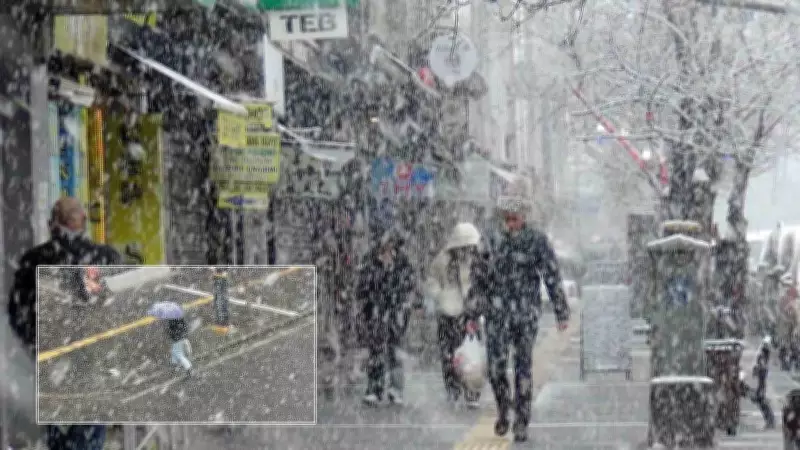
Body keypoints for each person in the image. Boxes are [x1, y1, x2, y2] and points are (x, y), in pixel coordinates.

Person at [8, 197, 120, 450]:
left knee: (60, 438)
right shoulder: (106, 258)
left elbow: (18, 316)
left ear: (52, 224)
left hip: (53, 369)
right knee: (89, 436)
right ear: (82, 222)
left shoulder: (33, 261)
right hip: (94, 369)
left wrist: (38, 347)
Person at [485, 187, 570, 442]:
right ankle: (503, 408)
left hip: (525, 312)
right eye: (507, 218)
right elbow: (478, 277)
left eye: (515, 218)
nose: (511, 223)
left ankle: (521, 420)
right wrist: (472, 311)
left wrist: (561, 310)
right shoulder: (491, 240)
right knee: (496, 368)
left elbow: (552, 275)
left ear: (524, 216)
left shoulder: (536, 240)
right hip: (497, 313)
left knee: (523, 367)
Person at [424, 222, 486, 408]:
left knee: (472, 354)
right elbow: (432, 281)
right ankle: (452, 388)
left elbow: (484, 284)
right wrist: (439, 296)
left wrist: (477, 304)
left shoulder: (478, 261)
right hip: (447, 314)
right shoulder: (442, 261)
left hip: (470, 314)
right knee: (448, 355)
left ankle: (472, 390)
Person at [356, 230, 415, 406]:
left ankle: (396, 389)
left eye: (391, 244)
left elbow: (408, 284)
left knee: (395, 351)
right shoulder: (371, 261)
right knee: (376, 351)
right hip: (376, 312)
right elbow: (363, 287)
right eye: (385, 244)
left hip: (396, 313)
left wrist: (403, 303)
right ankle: (375, 388)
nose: (388, 248)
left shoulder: (402, 262)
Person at [745, 336, 776, 429]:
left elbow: (762, 367)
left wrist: (757, 370)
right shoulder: (763, 354)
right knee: (760, 400)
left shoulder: (762, 355)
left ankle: (770, 420)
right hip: (760, 382)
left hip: (760, 382)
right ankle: (770, 420)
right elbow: (761, 367)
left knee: (761, 400)